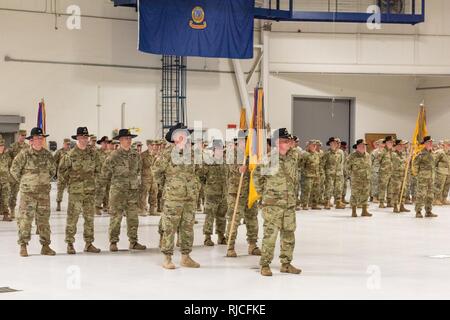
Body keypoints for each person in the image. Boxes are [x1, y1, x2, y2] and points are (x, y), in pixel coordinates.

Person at [153, 123, 201, 269]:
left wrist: (195, 186)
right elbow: (156, 172)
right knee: (170, 227)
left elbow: (198, 171)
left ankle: (186, 257)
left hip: (189, 198)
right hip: (173, 198)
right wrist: (168, 187)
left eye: (186, 134)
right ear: (175, 138)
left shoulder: (192, 154)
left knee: (188, 227)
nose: (185, 137)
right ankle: (167, 258)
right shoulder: (166, 154)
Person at [255, 128, 302, 277]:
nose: (289, 143)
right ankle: (265, 264)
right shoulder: (268, 159)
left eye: (289, 141)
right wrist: (265, 195)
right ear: (277, 142)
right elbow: (257, 177)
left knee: (289, 234)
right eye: (285, 141)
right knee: (270, 235)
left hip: (289, 204)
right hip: (272, 205)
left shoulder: (292, 157)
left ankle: (286, 264)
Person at [10, 127, 57, 257]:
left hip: (43, 195)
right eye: (36, 138)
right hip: (28, 194)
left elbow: (53, 171)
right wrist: (24, 182)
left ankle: (45, 246)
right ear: (31, 140)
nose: (39, 140)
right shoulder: (24, 154)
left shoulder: (47, 155)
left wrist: (43, 181)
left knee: (43, 221)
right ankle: (23, 246)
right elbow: (14, 170)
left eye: (41, 138)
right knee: (25, 220)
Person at [100, 129, 147, 251]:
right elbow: (105, 173)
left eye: (130, 138)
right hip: (118, 192)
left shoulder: (135, 155)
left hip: (132, 191)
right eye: (126, 138)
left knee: (133, 217)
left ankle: (133, 241)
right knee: (116, 217)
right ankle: (113, 242)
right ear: (120, 140)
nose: (129, 140)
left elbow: (138, 171)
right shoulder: (114, 156)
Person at [58, 127, 102, 254]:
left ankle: (89, 243)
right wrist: (67, 186)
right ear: (77, 138)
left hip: (90, 191)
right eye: (82, 137)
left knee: (89, 218)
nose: (84, 139)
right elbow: (62, 172)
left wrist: (96, 184)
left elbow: (99, 170)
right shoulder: (70, 155)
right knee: (72, 218)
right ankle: (70, 243)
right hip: (76, 192)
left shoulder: (94, 154)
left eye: (86, 137)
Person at [225, 131, 261, 258]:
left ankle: (252, 245)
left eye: (248, 140)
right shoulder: (232, 153)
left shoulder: (253, 155)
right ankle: (230, 246)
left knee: (252, 219)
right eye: (244, 140)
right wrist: (238, 168)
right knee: (234, 220)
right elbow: (231, 167)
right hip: (236, 192)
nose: (246, 143)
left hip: (250, 192)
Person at [201, 140, 227, 246]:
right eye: (218, 149)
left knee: (222, 216)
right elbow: (201, 176)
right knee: (209, 216)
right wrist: (207, 186)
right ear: (214, 150)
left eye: (221, 149)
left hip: (223, 193)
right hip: (211, 193)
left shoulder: (226, 163)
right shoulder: (208, 162)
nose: (220, 151)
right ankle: (207, 237)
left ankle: (221, 236)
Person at [413, 136, 438, 218]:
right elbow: (415, 165)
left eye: (431, 142)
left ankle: (428, 211)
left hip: (431, 177)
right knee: (421, 194)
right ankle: (418, 211)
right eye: (429, 142)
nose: (431, 143)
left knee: (430, 195)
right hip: (423, 178)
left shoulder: (433, 153)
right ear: (425, 143)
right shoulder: (421, 154)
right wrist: (417, 176)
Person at [346, 139, 372, 218]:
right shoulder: (352, 156)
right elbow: (347, 168)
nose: (363, 147)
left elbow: (369, 166)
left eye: (364, 145)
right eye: (361, 145)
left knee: (366, 194)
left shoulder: (367, 155)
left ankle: (364, 211)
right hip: (356, 180)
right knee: (355, 195)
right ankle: (354, 211)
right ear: (357, 146)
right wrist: (352, 176)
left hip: (366, 179)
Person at [8, 129, 29, 218]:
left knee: (26, 193)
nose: (23, 137)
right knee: (13, 193)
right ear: (18, 136)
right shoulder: (13, 147)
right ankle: (12, 209)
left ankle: (24, 210)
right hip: (15, 175)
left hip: (25, 174)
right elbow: (9, 160)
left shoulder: (28, 147)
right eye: (21, 135)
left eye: (24, 136)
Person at [322, 137, 346, 210]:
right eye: (333, 143)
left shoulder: (341, 152)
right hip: (329, 174)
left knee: (339, 188)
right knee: (329, 188)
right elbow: (322, 164)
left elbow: (342, 163)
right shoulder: (327, 153)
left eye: (337, 143)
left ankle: (338, 202)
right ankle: (327, 202)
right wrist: (323, 174)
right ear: (330, 144)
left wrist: (342, 172)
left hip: (339, 173)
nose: (336, 144)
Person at [300, 140, 321, 210]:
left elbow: (318, 165)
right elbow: (301, 165)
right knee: (306, 190)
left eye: (315, 145)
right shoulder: (305, 154)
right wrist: (304, 174)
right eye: (313, 145)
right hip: (307, 176)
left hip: (316, 175)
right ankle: (304, 204)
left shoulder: (317, 154)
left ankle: (314, 204)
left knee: (316, 190)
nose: (314, 146)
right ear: (309, 146)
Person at [54, 138, 71, 211]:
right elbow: (54, 162)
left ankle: (72, 205)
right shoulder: (59, 152)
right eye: (67, 144)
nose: (68, 145)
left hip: (70, 174)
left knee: (72, 190)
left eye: (69, 144)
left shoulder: (72, 152)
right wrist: (55, 173)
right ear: (64, 144)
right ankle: (58, 203)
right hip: (61, 174)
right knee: (60, 190)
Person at [378, 136, 395, 208]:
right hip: (384, 172)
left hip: (391, 172)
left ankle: (389, 201)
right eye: (390, 142)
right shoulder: (382, 151)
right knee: (383, 187)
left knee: (390, 187)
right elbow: (379, 160)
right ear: (387, 142)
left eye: (392, 142)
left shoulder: (392, 151)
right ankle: (381, 202)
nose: (392, 143)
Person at [433, 139, 450, 205]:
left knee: (446, 186)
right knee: (439, 186)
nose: (449, 146)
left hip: (448, 172)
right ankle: (436, 199)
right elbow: (434, 162)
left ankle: (444, 198)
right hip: (441, 172)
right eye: (448, 145)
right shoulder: (439, 152)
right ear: (444, 145)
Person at [0, 139, 12, 221]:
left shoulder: (7, 155)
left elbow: (11, 166)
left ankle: (5, 214)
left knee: (5, 197)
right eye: (0, 146)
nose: (1, 147)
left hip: (5, 180)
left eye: (2, 146)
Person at [370, 139, 385, 203]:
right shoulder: (374, 152)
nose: (383, 144)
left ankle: (381, 197)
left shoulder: (385, 151)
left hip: (383, 170)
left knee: (382, 184)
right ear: (378, 143)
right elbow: (370, 161)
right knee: (375, 184)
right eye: (382, 143)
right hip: (375, 170)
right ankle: (374, 198)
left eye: (384, 143)